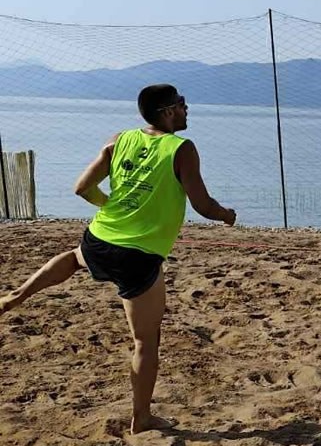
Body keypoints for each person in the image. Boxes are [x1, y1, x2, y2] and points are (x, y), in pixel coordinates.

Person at [0, 84, 236, 435]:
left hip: (100, 238)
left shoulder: (119, 139)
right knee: (146, 341)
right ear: (168, 111)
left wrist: (110, 206)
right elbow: (202, 205)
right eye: (183, 105)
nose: (188, 110)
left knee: (74, 257)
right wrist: (226, 214)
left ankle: (15, 296)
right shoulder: (182, 149)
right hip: (138, 256)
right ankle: (141, 418)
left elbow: (81, 188)